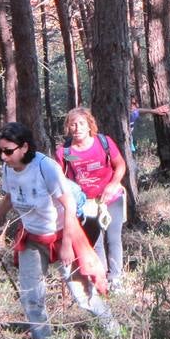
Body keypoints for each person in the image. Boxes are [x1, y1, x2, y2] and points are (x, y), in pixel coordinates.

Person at [0, 122, 115, 339]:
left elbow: (67, 205)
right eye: (0, 152)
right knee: (31, 295)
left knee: (82, 294)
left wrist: (66, 244)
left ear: (24, 147)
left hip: (62, 234)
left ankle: (113, 331)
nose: (3, 157)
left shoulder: (46, 167)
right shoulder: (8, 169)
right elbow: (10, 197)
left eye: (8, 151)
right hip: (33, 238)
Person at [56, 107, 129, 291]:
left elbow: (120, 165)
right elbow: (58, 178)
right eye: (73, 124)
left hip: (111, 198)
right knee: (94, 241)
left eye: (81, 123)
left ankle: (116, 280)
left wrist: (113, 185)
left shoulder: (103, 142)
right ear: (68, 127)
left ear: (90, 125)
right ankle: (101, 278)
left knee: (113, 238)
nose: (77, 128)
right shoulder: (64, 152)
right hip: (85, 204)